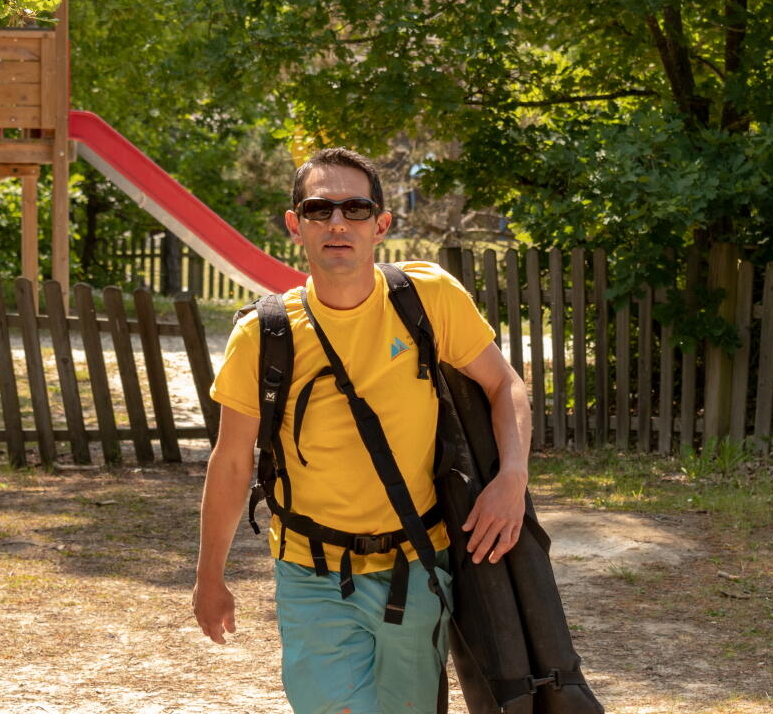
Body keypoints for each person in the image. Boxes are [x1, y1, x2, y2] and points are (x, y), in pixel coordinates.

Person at [192, 148, 533, 714]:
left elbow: (505, 385)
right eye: (319, 209)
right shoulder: (265, 334)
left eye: (355, 208)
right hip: (311, 573)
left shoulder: (427, 298)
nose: (337, 223)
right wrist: (209, 577)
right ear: (295, 225)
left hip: (418, 566)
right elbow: (230, 461)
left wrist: (512, 477)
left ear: (380, 224)